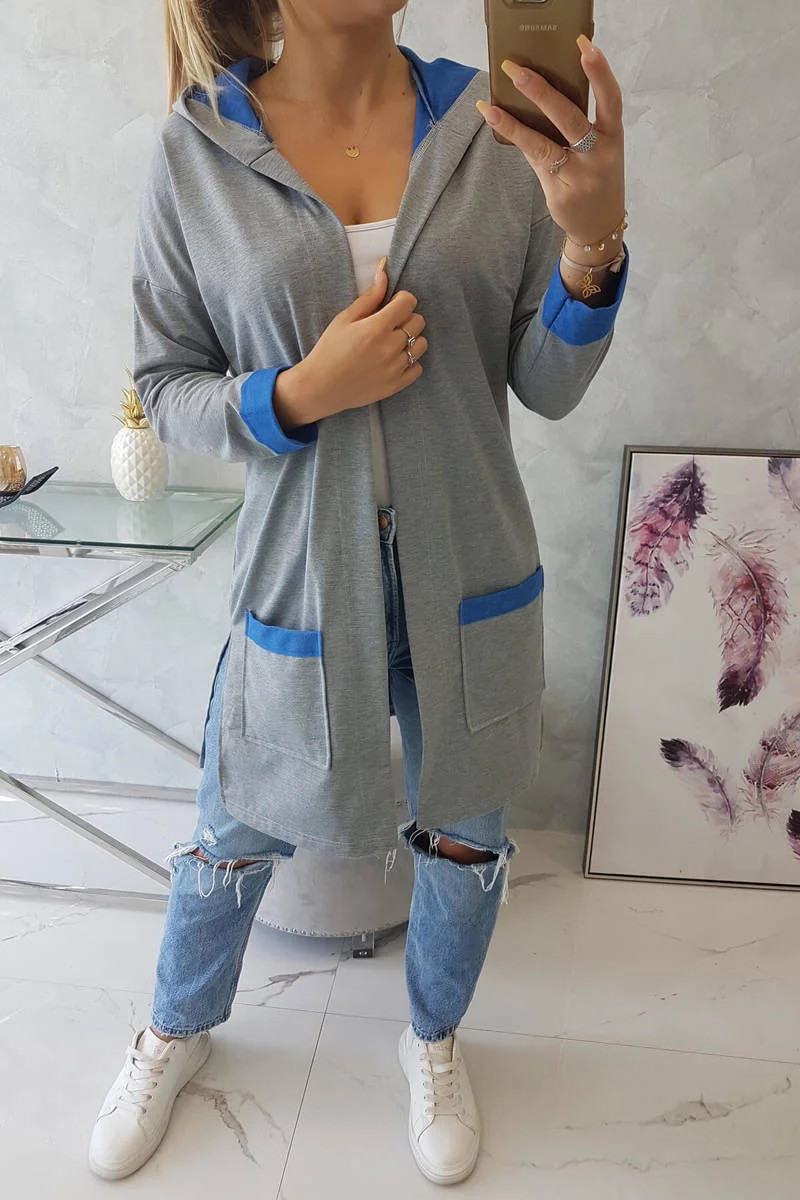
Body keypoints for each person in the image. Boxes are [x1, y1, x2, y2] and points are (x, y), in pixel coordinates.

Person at [89, 0, 628, 1185]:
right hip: (300, 577)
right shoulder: (198, 147)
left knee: (467, 837)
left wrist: (589, 250)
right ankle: (173, 1027)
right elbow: (166, 384)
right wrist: (299, 392)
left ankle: (431, 1038)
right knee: (231, 825)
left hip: (469, 571)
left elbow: (544, 382)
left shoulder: (489, 125)